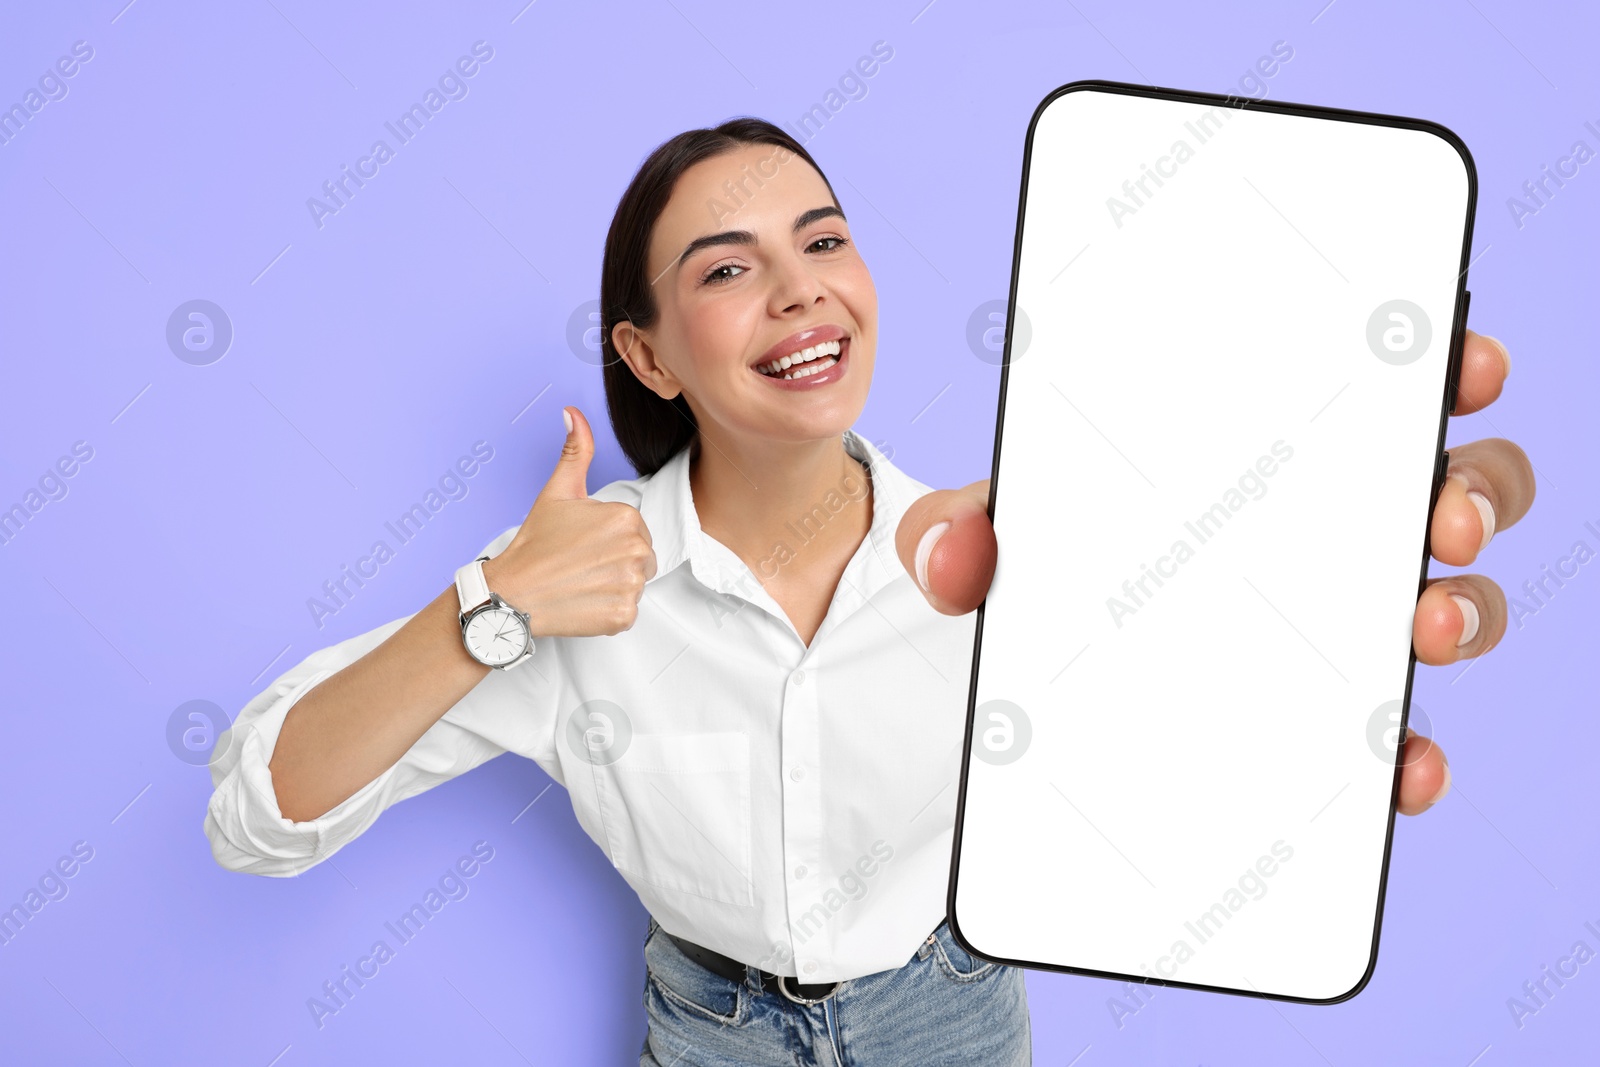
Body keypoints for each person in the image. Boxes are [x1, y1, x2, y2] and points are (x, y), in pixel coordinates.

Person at [204, 117, 1533, 1065]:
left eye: (823, 240)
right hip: (712, 1036)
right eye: (725, 268)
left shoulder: (995, 553)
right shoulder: (570, 588)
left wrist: (1330, 567)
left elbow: (1189, 741)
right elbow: (260, 812)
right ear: (646, 355)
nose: (799, 292)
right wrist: (487, 606)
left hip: (952, 1013)